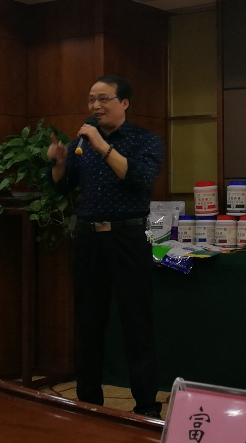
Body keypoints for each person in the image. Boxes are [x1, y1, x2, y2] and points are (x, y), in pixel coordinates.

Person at [46, 74, 165, 418]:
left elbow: (139, 177)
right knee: (88, 323)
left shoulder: (144, 140)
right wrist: (59, 163)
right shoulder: (81, 143)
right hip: (88, 239)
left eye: (103, 99)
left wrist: (101, 145)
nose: (95, 106)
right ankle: (88, 404)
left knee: (136, 324)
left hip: (128, 238)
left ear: (124, 103)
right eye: (91, 100)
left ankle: (146, 408)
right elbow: (62, 188)